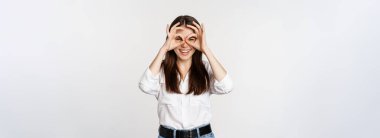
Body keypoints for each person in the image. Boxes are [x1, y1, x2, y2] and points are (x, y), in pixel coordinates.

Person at [138, 15, 233, 138]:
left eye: (191, 39)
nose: (184, 44)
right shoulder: (160, 70)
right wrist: (164, 49)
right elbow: (145, 86)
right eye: (178, 38)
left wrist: (206, 49)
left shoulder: (207, 69)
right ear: (170, 40)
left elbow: (227, 86)